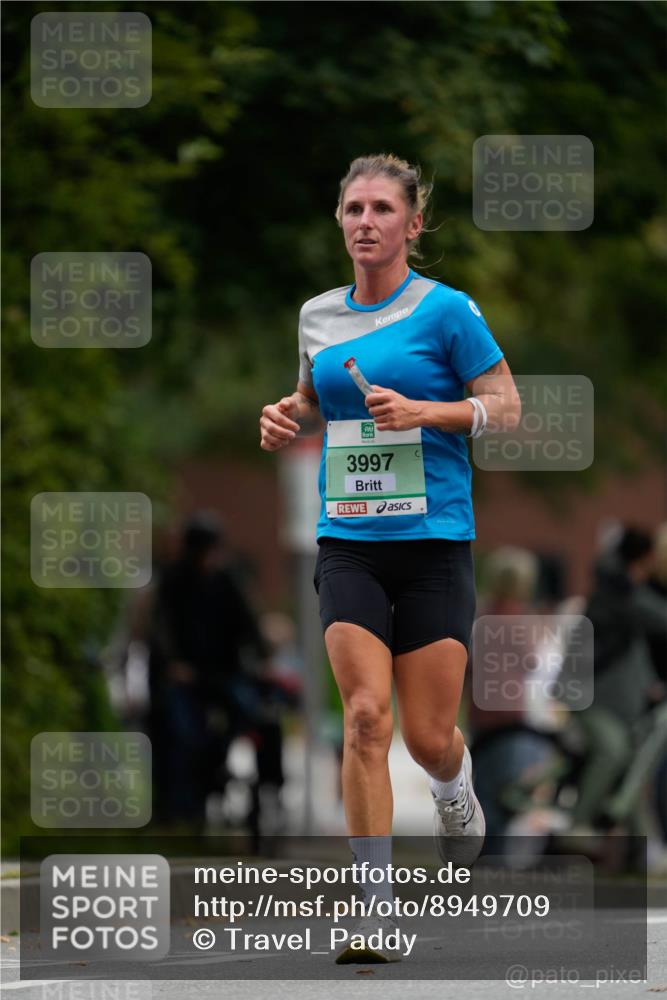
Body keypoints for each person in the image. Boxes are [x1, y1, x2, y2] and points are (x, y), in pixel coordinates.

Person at [259, 154, 521, 962]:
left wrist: (427, 412)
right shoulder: (315, 315)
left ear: (412, 224)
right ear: (339, 221)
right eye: (351, 209)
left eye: (380, 209)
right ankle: (373, 911)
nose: (364, 222)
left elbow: (506, 407)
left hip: (434, 544)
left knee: (425, 735)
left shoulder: (447, 312)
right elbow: (314, 396)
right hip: (351, 545)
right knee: (365, 717)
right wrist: (286, 413)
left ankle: (453, 785)